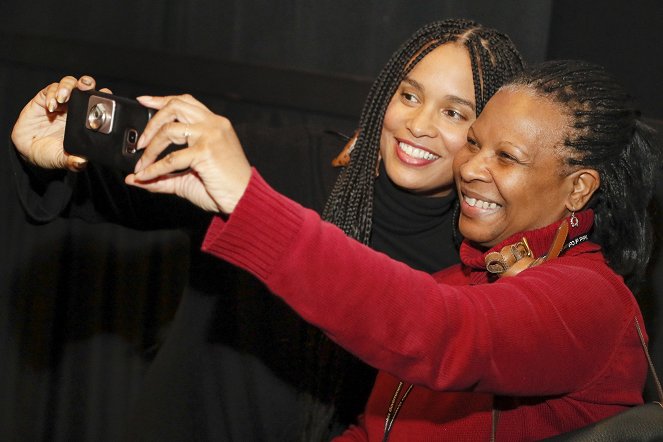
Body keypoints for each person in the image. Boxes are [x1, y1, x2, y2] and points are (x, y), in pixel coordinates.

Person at [10, 19, 524, 440]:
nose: (418, 124)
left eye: (454, 112)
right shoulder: (287, 163)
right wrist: (55, 157)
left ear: (489, 136)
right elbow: (130, 190)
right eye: (409, 96)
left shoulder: (476, 263)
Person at [115, 59, 658, 440]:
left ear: (578, 189)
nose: (471, 168)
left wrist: (250, 202)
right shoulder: (460, 281)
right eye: (474, 142)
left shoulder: (591, 300)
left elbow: (445, 333)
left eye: (507, 157)